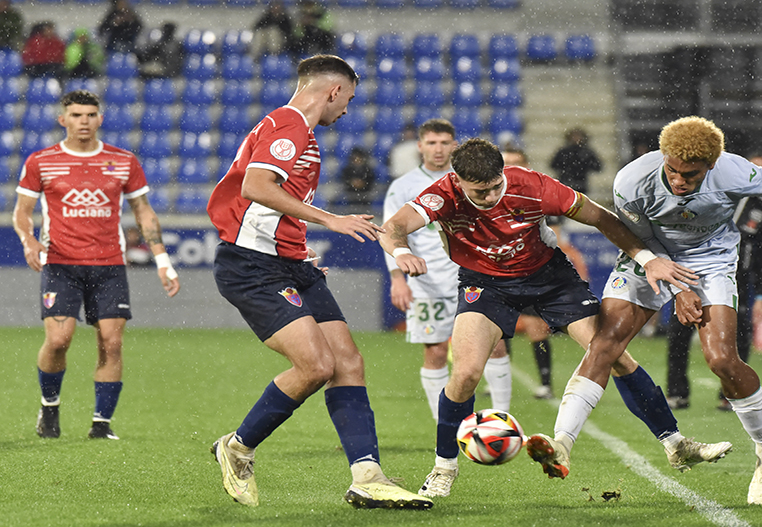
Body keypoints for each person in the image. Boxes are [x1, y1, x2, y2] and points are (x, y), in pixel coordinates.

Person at [525, 116, 762, 506]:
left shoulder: (735, 170)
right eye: (673, 170)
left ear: (712, 165)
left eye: (690, 174)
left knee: (722, 361)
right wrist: (674, 284)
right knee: (605, 344)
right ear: (663, 156)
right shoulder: (631, 180)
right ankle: (562, 443)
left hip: (711, 260)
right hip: (648, 255)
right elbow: (638, 239)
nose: (679, 180)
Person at [380, 137, 727, 500]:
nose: (490, 197)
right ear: (458, 181)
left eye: (496, 186)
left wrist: (646, 258)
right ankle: (443, 467)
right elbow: (393, 228)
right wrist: (402, 252)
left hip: (550, 278)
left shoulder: (533, 186)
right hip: (485, 284)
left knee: (613, 355)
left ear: (503, 173)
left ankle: (675, 443)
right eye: (479, 192)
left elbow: (602, 218)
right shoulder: (442, 195)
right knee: (465, 374)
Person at [205, 54, 431, 510]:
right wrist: (332, 219)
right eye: (347, 98)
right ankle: (237, 447)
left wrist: (295, 244)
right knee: (316, 367)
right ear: (333, 91)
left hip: (288, 262)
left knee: (348, 362)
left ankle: (369, 476)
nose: (346, 109)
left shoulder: (299, 133)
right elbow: (257, 187)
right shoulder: (289, 126)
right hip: (252, 266)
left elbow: (274, 207)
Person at [13, 90, 181, 442]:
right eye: (76, 115)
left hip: (108, 266)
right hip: (61, 263)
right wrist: (29, 240)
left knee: (111, 342)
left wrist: (163, 260)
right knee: (59, 340)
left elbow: (144, 212)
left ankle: (101, 425)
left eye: (90, 115)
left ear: (100, 119)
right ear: (63, 120)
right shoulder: (42, 161)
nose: (84, 121)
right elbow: (22, 212)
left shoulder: (123, 162)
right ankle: (49, 406)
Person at [382, 119, 512, 420]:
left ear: (454, 146)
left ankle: (502, 422)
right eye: (431, 143)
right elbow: (389, 232)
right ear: (420, 146)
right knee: (436, 352)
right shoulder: (402, 187)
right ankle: (446, 422)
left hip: (474, 278)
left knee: (495, 346)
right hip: (427, 283)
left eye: (444, 143)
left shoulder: (474, 181)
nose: (438, 149)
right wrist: (397, 279)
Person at [664, 154, 762, 411]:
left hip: (738, 281)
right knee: (679, 332)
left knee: (738, 336)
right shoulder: (711, 195)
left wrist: (761, 295)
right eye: (754, 170)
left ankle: (730, 393)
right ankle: (676, 392)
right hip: (694, 275)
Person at [501, 146, 591, 400]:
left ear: (526, 165)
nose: (510, 169)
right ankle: (500, 378)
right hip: (501, 270)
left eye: (516, 163)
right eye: (506, 164)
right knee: (499, 326)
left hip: (532, 271)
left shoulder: (541, 196)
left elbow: (556, 239)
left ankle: (545, 381)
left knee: (536, 329)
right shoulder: (488, 196)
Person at [549, 127, 602, 194]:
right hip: (565, 183)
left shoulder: (587, 152)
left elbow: (597, 167)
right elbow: (553, 165)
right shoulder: (564, 151)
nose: (576, 139)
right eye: (574, 136)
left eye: (578, 136)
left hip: (581, 184)